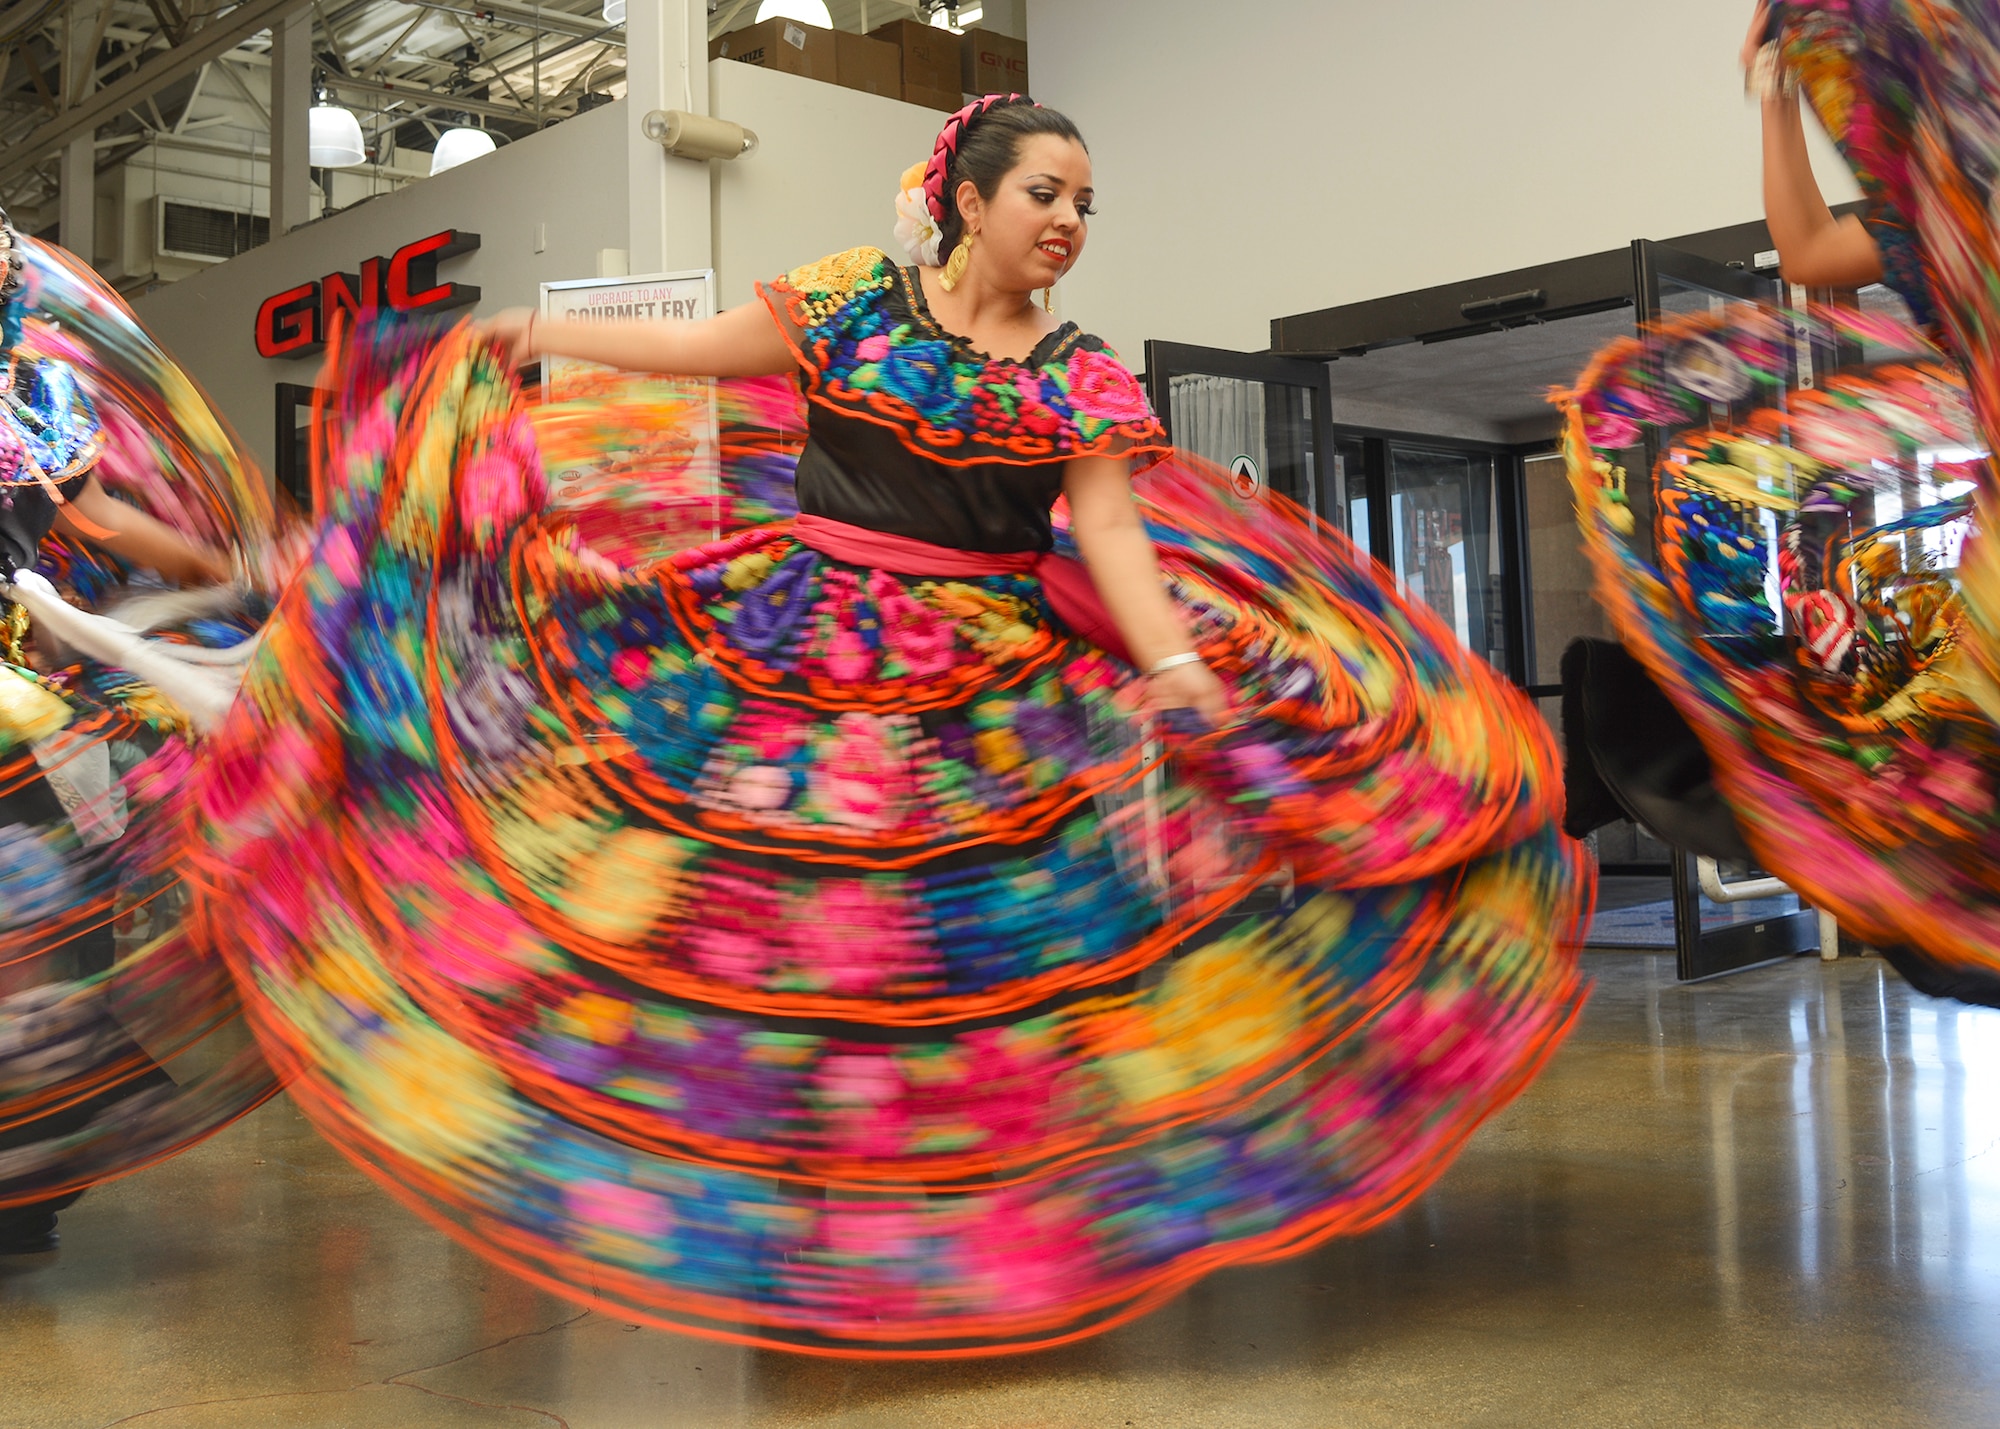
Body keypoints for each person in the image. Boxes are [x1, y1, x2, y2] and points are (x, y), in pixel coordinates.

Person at [194, 96, 1589, 1354]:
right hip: (798, 649)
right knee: (785, 935)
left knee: (976, 962)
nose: (1069, 224)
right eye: (1045, 193)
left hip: (986, 687)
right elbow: (693, 353)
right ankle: (792, 1231)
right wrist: (525, 329)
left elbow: (1108, 529)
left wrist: (1174, 669)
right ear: (967, 199)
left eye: (1086, 204)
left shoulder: (1082, 372)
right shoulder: (851, 302)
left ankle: (952, 1238)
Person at [0, 210, 277, 1253]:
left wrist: (234, 575)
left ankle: (21, 1180)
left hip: (6, 695)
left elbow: (101, 520)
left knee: (42, 921)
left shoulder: (35, 396)